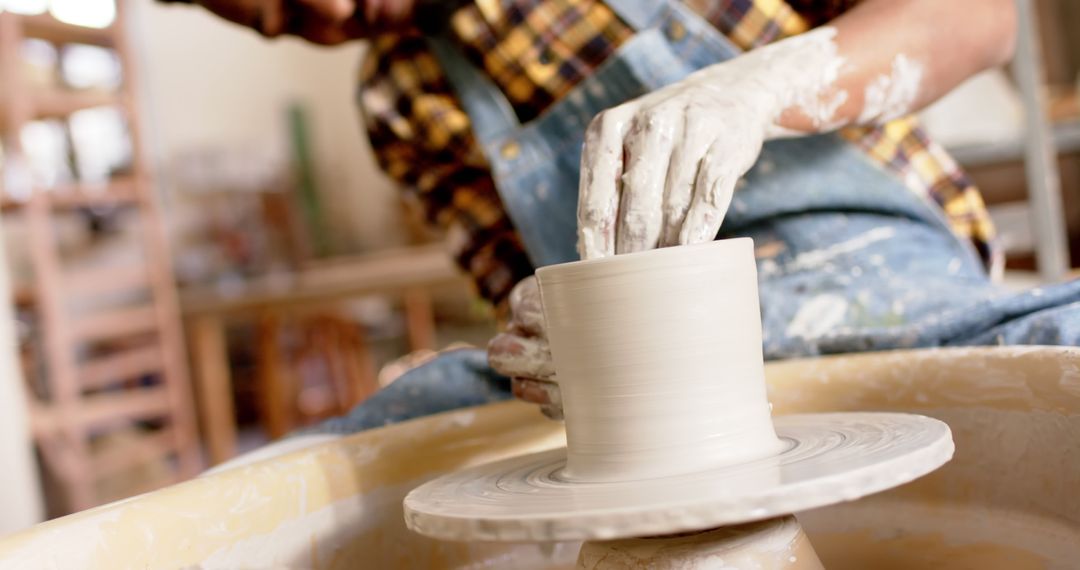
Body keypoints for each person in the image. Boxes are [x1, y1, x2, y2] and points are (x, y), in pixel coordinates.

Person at [163, 0, 1080, 436]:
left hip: (893, 303)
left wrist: (763, 87)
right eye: (279, 16)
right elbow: (519, 294)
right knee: (356, 452)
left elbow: (978, 17)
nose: (324, 8)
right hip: (669, 374)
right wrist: (540, 331)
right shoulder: (401, 95)